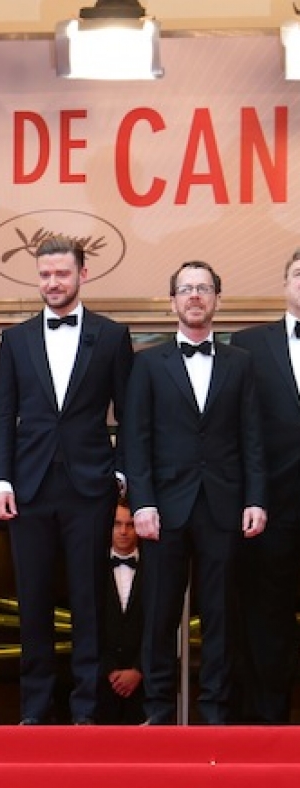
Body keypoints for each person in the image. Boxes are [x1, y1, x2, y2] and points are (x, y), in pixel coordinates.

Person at [0, 234, 134, 726]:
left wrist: (120, 471)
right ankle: (34, 710)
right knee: (32, 601)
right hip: (28, 487)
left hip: (90, 486)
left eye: (62, 274)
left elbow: (129, 414)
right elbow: (2, 415)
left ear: (82, 275)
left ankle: (86, 710)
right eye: (45, 274)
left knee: (89, 599)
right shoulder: (16, 339)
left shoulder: (112, 336)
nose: (53, 282)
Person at [124, 260, 267, 725]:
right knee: (159, 613)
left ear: (216, 299)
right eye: (186, 289)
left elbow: (252, 436)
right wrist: (142, 502)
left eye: (203, 288)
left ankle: (216, 713)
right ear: (172, 302)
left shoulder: (241, 363)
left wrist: (256, 498)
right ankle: (158, 711)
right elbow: (136, 438)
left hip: (224, 504)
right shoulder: (147, 363)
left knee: (221, 612)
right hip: (164, 507)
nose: (195, 296)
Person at [230, 248, 300, 723]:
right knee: (267, 620)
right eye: (298, 273)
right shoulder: (248, 345)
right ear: (284, 283)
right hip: (270, 506)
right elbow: (237, 427)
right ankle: (269, 726)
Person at [96, 499, 145, 725]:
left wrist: (138, 670)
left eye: (130, 524)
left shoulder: (154, 570)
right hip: (101, 684)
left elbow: (161, 625)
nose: (124, 531)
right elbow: (87, 624)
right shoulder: (93, 569)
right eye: (117, 524)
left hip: (144, 687)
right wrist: (109, 670)